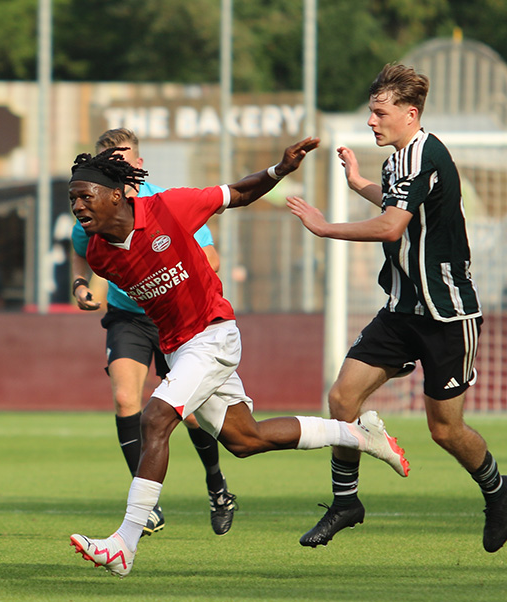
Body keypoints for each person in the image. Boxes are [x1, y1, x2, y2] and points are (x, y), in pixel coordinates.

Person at [68, 138, 411, 578]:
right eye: (72, 198)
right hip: (179, 348)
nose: (77, 206)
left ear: (116, 194)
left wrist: (280, 169)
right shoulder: (99, 252)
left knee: (154, 418)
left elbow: (239, 193)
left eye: (84, 196)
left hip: (212, 335)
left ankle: (124, 543)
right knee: (245, 440)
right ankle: (357, 434)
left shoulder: (170, 208)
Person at [286, 63, 507, 553]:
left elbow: (391, 227)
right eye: (371, 112)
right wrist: (359, 183)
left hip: (447, 314)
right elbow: (400, 206)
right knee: (343, 399)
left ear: (410, 114)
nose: (372, 121)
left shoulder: (422, 156)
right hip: (402, 308)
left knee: (445, 430)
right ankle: (346, 502)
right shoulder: (400, 159)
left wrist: (327, 228)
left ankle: (498, 489)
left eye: (379, 112)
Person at [70, 128, 237, 537]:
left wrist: (161, 269)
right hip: (128, 317)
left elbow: (211, 258)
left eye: (124, 158)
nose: (118, 165)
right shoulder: (90, 209)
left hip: (178, 317)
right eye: (109, 159)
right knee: (127, 398)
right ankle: (146, 507)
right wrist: (80, 285)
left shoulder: (165, 202)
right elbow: (81, 255)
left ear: (139, 164)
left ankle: (217, 486)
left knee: (193, 416)